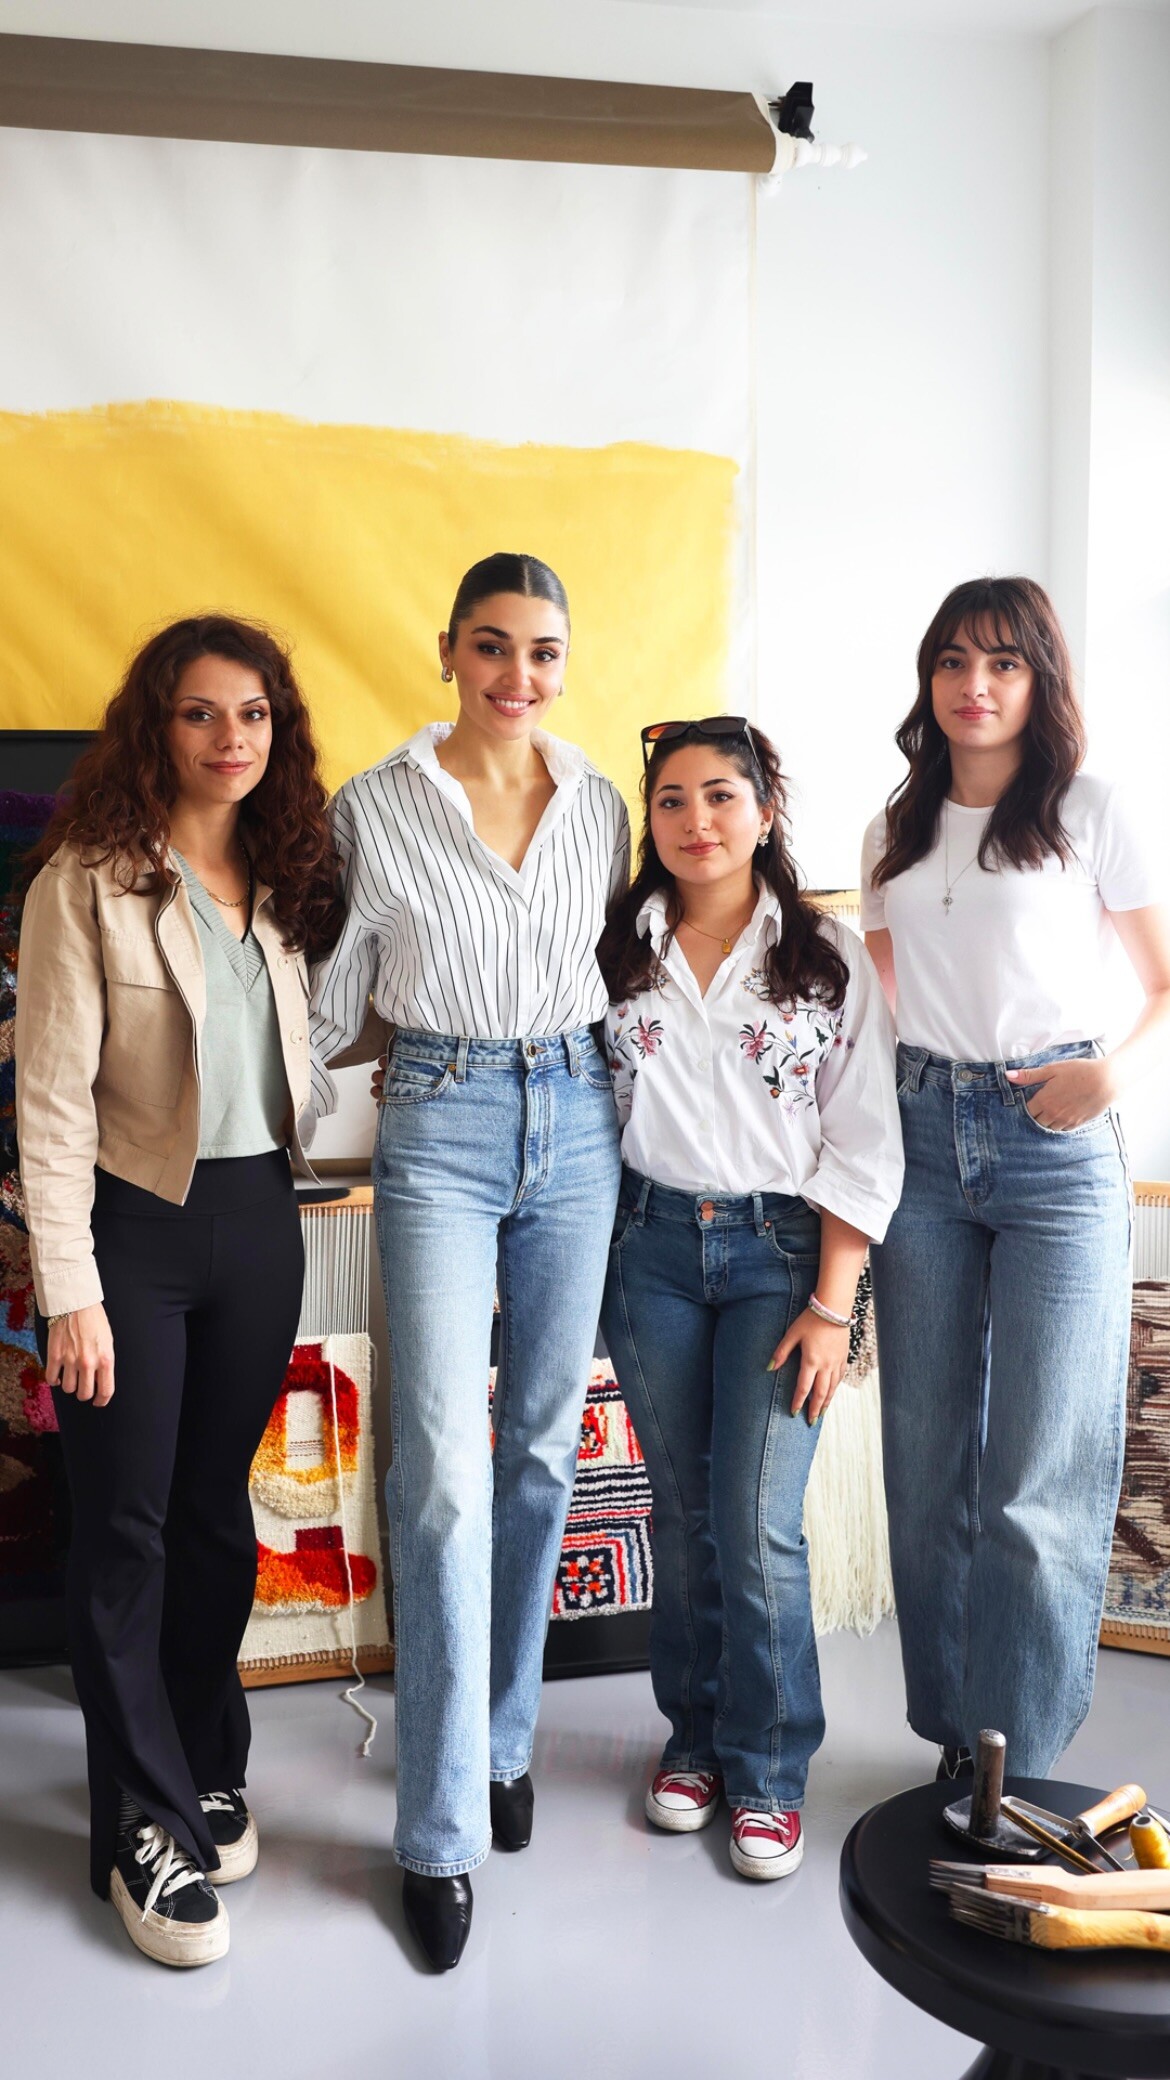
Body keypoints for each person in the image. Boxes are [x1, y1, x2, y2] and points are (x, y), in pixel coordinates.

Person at [308, 552, 627, 1970]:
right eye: (492, 646)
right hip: (437, 1117)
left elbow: (621, 971)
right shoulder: (374, 806)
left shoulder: (603, 802)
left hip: (581, 1114)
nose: (518, 675)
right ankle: (437, 1835)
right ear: (448, 650)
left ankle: (502, 1740)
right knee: (438, 1470)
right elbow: (329, 1000)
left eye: (542, 651)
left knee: (543, 1450)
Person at [16, 616, 343, 1966]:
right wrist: (70, 1289)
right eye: (201, 712)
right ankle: (140, 1827)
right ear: (156, 726)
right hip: (130, 1232)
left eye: (254, 714)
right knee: (128, 1530)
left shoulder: (286, 874)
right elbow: (49, 1102)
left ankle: (205, 1753)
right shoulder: (83, 882)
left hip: (260, 1219)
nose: (230, 738)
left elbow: (306, 1047)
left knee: (216, 1519)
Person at [862, 576, 1170, 1779]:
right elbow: (882, 1009)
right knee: (926, 1459)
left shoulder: (1089, 807)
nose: (974, 684)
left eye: (1003, 662)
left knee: (1042, 1467)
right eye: (953, 660)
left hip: (1058, 1139)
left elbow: (1164, 981)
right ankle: (958, 1739)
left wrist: (1111, 1074)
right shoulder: (894, 829)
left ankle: (1021, 1750)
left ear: (1040, 679)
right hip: (924, 1137)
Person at [596, 717, 902, 1878]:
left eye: (721, 795)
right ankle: (695, 1740)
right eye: (672, 799)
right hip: (651, 1246)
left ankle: (769, 1769)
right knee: (684, 1513)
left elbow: (866, 1137)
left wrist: (832, 1304)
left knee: (757, 1519)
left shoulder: (823, 956)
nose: (697, 820)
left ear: (766, 809)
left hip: (782, 1253)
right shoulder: (617, 948)